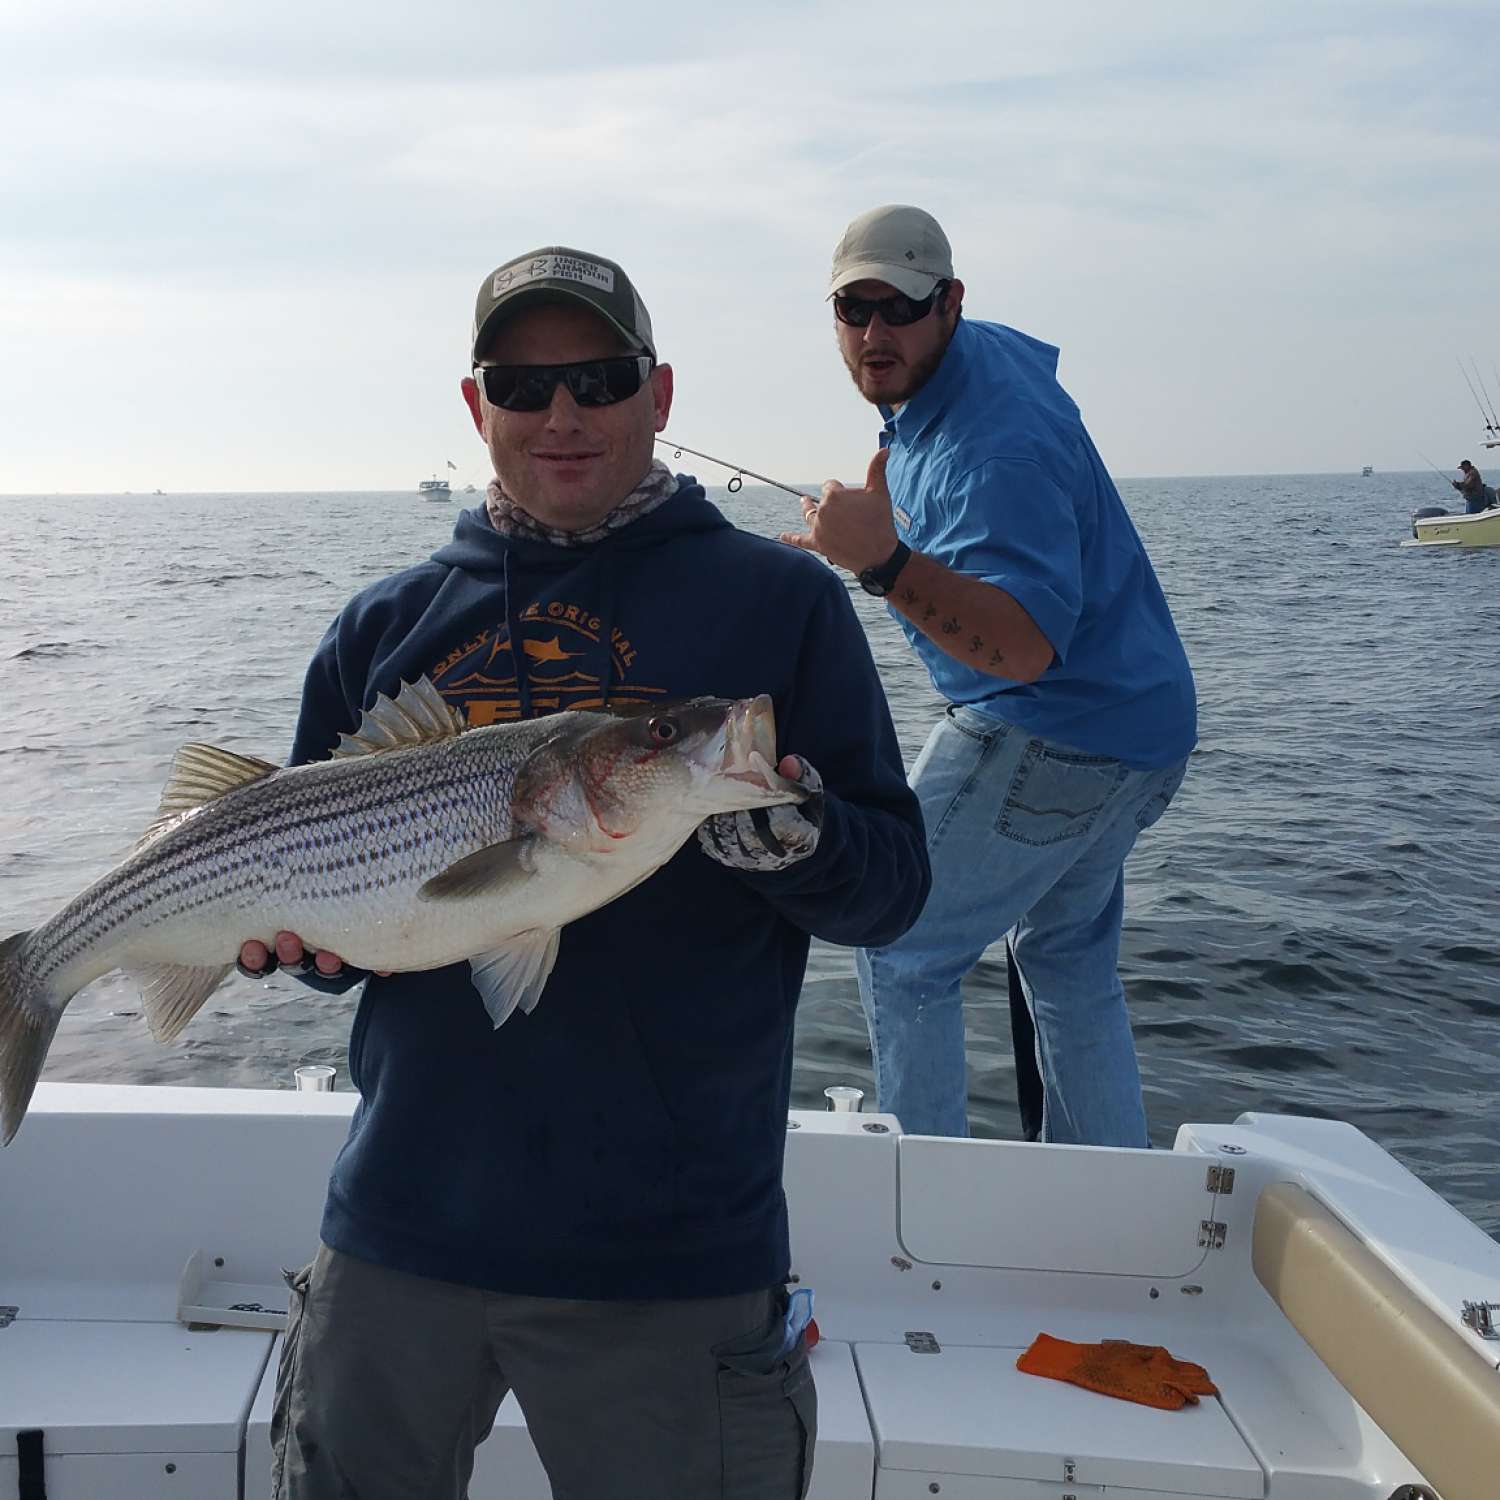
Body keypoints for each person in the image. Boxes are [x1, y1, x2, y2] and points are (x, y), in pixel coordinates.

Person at [238, 245, 930, 1500]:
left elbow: (893, 891)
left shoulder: (782, 608)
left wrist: (800, 838)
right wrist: (307, 947)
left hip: (669, 1256)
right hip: (400, 1231)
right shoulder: (380, 628)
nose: (562, 415)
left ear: (660, 395)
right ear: (475, 407)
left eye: (600, 380)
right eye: (522, 383)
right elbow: (334, 942)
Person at [783, 204, 1196, 1148]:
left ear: (951, 304)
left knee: (896, 941)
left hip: (1058, 731)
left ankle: (923, 1201)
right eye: (854, 309)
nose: (875, 335)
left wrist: (881, 562)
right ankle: (1106, 1194)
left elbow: (1022, 652)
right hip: (1146, 728)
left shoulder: (992, 449)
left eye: (901, 308)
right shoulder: (969, 366)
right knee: (1064, 958)